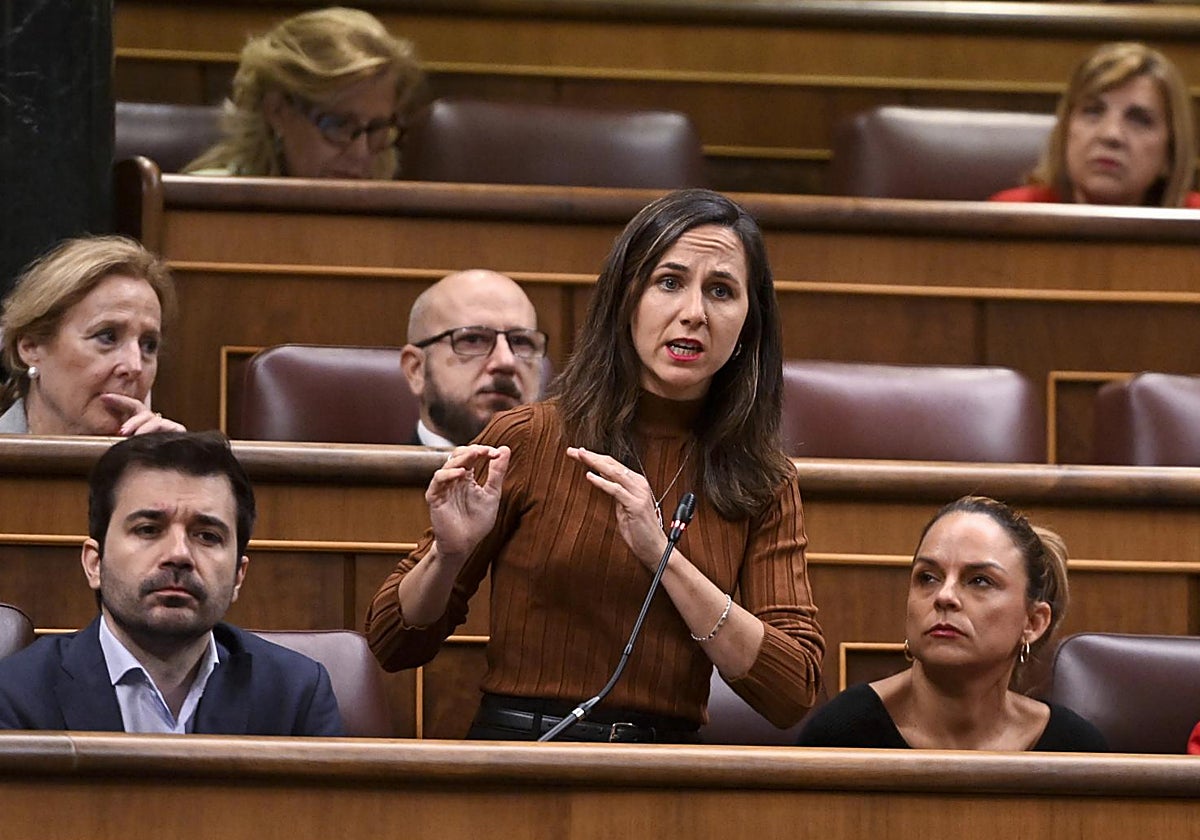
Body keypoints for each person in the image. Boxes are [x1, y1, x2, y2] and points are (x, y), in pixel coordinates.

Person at [366, 188, 824, 742]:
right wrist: (449, 554)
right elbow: (393, 641)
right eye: (669, 282)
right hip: (524, 754)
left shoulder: (761, 480)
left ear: (749, 323)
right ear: (625, 299)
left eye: (721, 291)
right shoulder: (530, 438)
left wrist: (661, 555)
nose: (693, 314)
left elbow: (792, 689)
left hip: (666, 772)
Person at [0, 431, 343, 735]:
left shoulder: (294, 694)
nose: (179, 554)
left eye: (207, 536)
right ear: (95, 564)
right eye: (148, 530)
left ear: (240, 574)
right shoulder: (17, 694)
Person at [797, 496, 1106, 751]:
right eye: (927, 577)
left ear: (1034, 622)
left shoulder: (1075, 749)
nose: (944, 596)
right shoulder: (842, 735)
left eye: (980, 581)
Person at [184, 7, 424, 179]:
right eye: (339, 124)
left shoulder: (393, 216)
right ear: (276, 110)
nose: (361, 152)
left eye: (376, 129)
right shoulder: (206, 207)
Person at [0, 235, 186, 436]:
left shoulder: (161, 463)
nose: (135, 366)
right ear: (31, 347)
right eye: (107, 337)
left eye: (148, 345)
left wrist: (174, 462)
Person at [990, 42, 1199, 208]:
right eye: (1093, 111)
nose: (1111, 135)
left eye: (1139, 120)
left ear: (1170, 153)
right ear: (1065, 132)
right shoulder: (1012, 216)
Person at [400, 269, 545, 447]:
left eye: (521, 341)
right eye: (473, 339)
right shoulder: (371, 475)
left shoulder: (575, 473)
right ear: (416, 370)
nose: (506, 361)